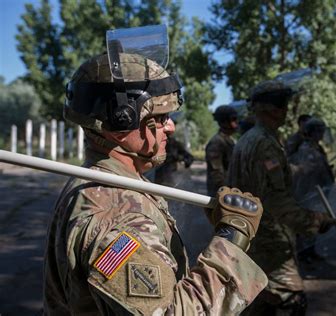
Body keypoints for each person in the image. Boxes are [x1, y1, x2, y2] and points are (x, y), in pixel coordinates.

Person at [43, 26, 267, 315]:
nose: (170, 127)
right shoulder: (116, 215)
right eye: (160, 118)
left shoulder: (105, 185)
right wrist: (231, 238)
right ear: (121, 122)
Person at [227, 80, 336, 315]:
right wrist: (314, 221)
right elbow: (276, 201)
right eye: (282, 105)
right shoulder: (265, 143)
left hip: (250, 234)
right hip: (269, 240)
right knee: (290, 299)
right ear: (269, 109)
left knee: (260, 299)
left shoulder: (248, 139)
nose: (286, 111)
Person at [288, 117, 335, 264]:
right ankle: (303, 256)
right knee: (307, 225)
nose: (322, 134)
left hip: (316, 192)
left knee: (314, 223)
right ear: (312, 132)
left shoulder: (316, 148)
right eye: (319, 131)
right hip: (307, 192)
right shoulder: (306, 149)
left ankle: (311, 252)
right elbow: (305, 171)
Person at [205, 105, 238, 196]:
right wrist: (226, 194)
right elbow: (216, 174)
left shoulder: (229, 141)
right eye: (233, 119)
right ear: (224, 122)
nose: (236, 123)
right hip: (221, 194)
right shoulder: (216, 143)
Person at [154, 122, 194, 186]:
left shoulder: (174, 143)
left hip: (170, 175)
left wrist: (182, 159)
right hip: (159, 176)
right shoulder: (155, 141)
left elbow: (189, 157)